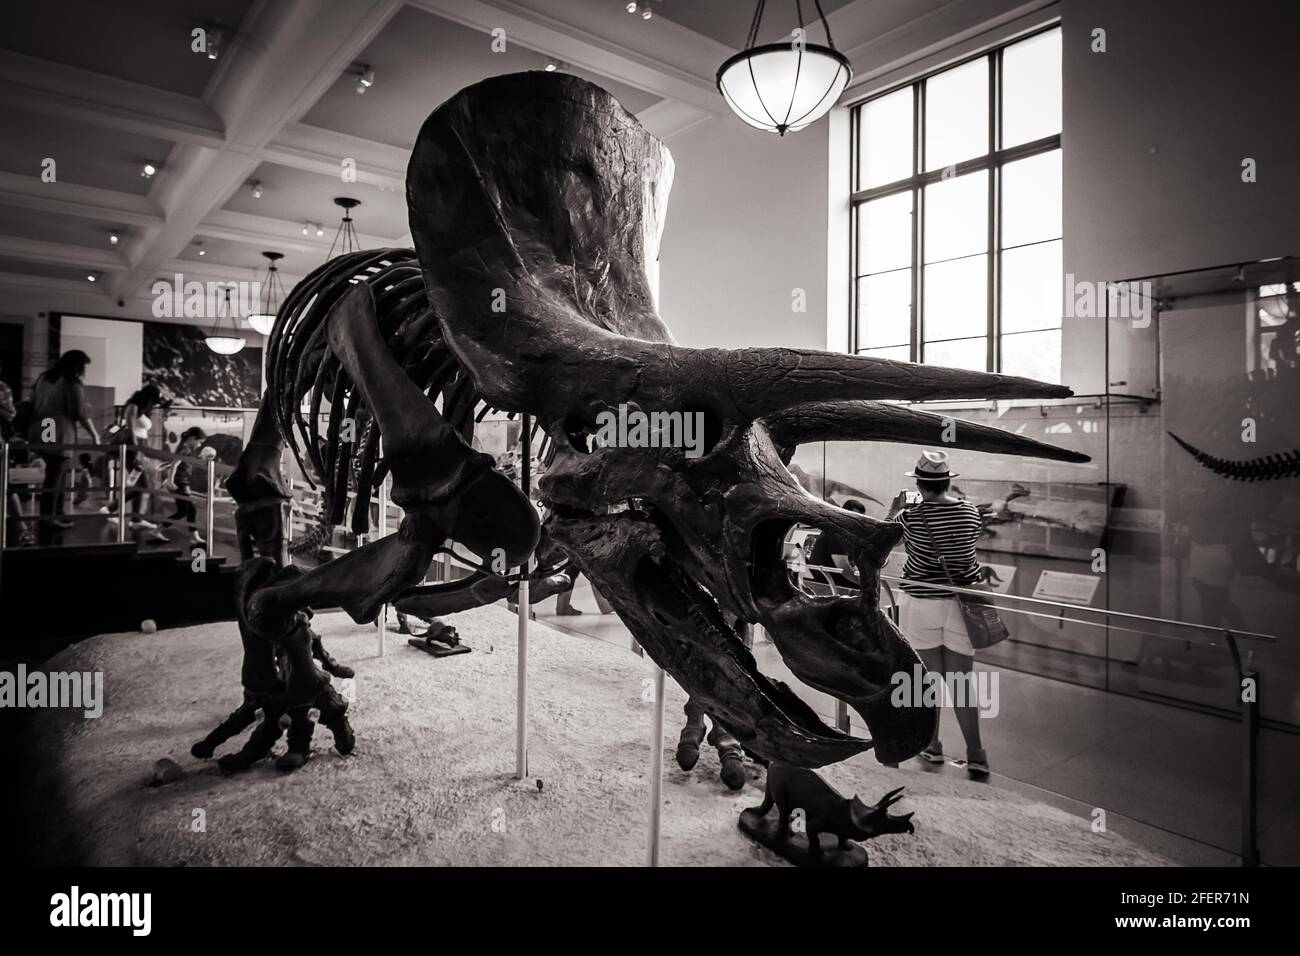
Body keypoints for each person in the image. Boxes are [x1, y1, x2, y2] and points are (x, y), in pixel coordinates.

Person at [885, 450, 989, 777]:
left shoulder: (911, 517)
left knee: (926, 681)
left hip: (921, 604)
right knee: (960, 683)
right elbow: (972, 541)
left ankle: (932, 746)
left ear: (919, 483)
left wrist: (895, 510)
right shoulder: (971, 512)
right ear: (947, 482)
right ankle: (976, 754)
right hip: (963, 605)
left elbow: (882, 538)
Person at [27, 350, 100, 535]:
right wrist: (94, 434)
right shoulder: (71, 383)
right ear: (76, 366)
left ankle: (55, 513)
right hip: (61, 428)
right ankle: (50, 517)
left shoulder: (44, 378)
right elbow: (81, 412)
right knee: (56, 474)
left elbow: (32, 402)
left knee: (54, 472)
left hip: (45, 425)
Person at [105, 383, 167, 541]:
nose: (154, 404)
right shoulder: (132, 407)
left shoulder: (141, 409)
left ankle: (135, 519)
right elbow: (132, 430)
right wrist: (137, 451)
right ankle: (110, 509)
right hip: (134, 448)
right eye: (154, 400)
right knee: (143, 485)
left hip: (140, 447)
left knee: (140, 485)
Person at [808, 498, 867, 591]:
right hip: (829, 583)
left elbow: (850, 562)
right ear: (844, 514)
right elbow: (844, 569)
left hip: (825, 580)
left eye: (861, 519)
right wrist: (864, 584)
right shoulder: (837, 534)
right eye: (856, 518)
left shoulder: (836, 530)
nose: (859, 522)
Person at [164, 427, 207, 546]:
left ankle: (194, 537)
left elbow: (177, 464)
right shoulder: (185, 449)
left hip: (182, 482)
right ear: (192, 439)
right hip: (180, 483)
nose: (199, 445)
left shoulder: (184, 447)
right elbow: (174, 464)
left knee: (186, 511)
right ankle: (194, 537)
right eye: (199, 442)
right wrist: (170, 481)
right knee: (187, 511)